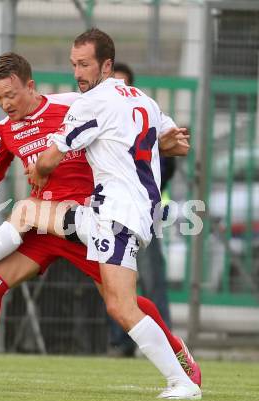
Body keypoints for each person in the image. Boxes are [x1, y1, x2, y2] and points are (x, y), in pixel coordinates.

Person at [0, 51, 200, 397]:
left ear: (30, 86)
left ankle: (176, 349)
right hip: (44, 229)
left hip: (86, 221)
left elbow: (123, 126)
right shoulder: (5, 130)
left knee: (122, 302)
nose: (5, 104)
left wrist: (163, 142)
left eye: (11, 95)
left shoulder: (73, 105)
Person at [107, 62, 175, 358]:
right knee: (116, 283)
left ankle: (168, 342)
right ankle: (121, 343)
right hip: (112, 215)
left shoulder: (146, 119)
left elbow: (168, 161)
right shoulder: (104, 121)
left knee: (151, 279)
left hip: (147, 216)